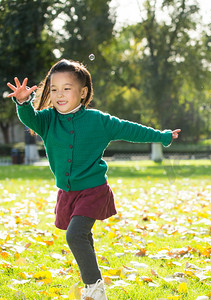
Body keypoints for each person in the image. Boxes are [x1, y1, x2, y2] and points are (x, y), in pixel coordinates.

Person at [6, 59, 181, 300]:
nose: (59, 94)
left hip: (93, 190)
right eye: (54, 89)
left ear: (83, 92)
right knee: (82, 236)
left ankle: (94, 290)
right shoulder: (47, 120)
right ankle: (96, 283)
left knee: (75, 235)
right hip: (68, 193)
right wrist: (23, 102)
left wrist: (161, 136)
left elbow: (130, 129)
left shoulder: (98, 121)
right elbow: (29, 118)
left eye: (67, 88)